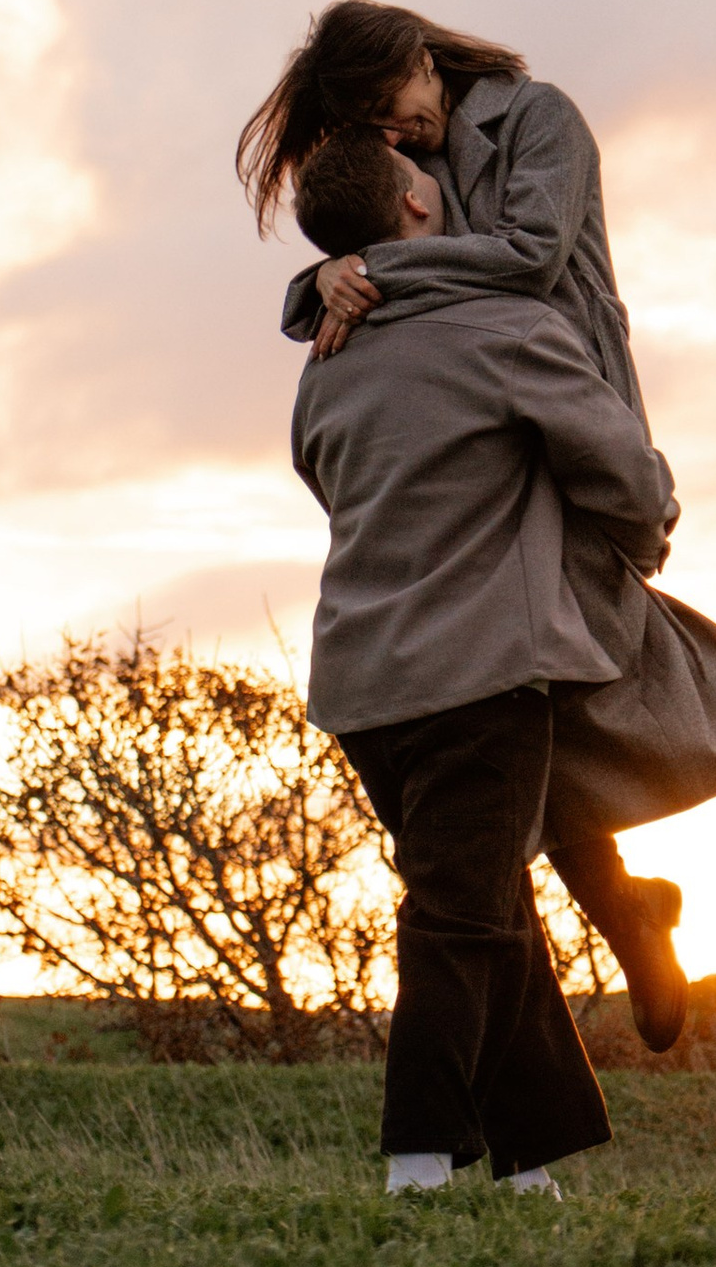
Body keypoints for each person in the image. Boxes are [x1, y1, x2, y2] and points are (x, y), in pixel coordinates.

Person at [243, 0, 716, 1048]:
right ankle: (634, 899)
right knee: (522, 674)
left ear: (421, 57)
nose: (395, 133)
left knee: (584, 608)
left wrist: (379, 275)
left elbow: (531, 254)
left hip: (555, 374)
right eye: (369, 123)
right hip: (470, 402)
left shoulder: (540, 120)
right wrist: (322, 274)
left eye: (391, 105)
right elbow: (377, 238)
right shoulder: (400, 159)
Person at [288, 138, 672, 1193]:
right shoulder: (504, 328)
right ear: (418, 200)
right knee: (458, 916)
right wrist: (644, 537)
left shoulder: (322, 360)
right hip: (479, 674)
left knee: (486, 897)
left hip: (360, 684)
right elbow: (622, 470)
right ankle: (416, 1169)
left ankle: (530, 1168)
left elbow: (329, 482)